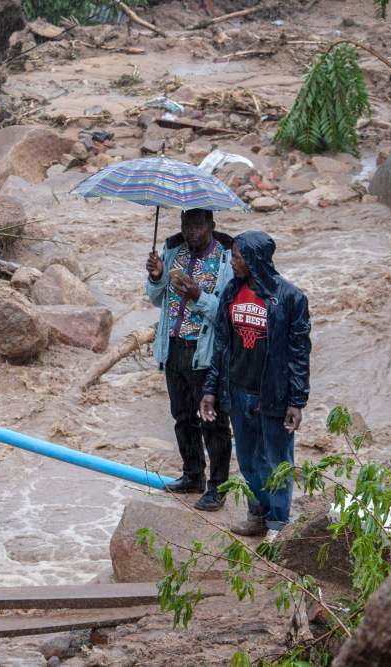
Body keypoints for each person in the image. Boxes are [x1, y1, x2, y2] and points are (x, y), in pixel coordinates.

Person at [200, 230, 311, 538]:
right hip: (237, 391)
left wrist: (297, 401)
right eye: (233, 255)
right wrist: (210, 389)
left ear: (254, 259)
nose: (232, 261)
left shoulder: (290, 298)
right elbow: (222, 345)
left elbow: (299, 354)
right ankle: (257, 515)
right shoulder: (232, 293)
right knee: (248, 460)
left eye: (236, 256)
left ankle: (278, 524)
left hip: (273, 395)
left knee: (277, 462)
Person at [146, 208, 234, 511]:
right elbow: (157, 299)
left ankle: (218, 486)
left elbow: (226, 313)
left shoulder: (225, 259)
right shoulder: (173, 252)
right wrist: (156, 276)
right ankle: (192, 474)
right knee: (182, 417)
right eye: (186, 225)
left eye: (197, 226)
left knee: (213, 422)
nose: (190, 231)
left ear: (211, 225)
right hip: (173, 346)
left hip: (205, 351)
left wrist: (198, 296)